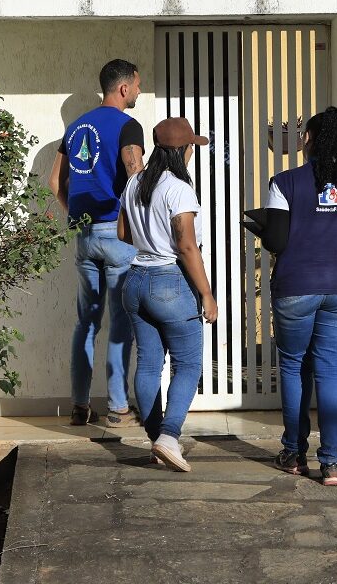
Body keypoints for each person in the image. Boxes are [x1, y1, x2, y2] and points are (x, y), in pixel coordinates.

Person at [261, 106, 337, 486]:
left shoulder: (284, 182)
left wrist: (265, 228)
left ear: (310, 140)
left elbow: (277, 239)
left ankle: (294, 453)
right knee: (331, 370)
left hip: (297, 287)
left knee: (295, 366)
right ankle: (331, 461)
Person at [118, 116, 217, 472]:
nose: (193, 152)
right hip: (170, 281)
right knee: (188, 364)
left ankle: (157, 439)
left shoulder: (134, 183)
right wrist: (206, 295)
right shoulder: (178, 188)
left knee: (148, 363)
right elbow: (187, 246)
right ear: (183, 150)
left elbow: (123, 234)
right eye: (191, 146)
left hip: (136, 280)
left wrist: (150, 239)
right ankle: (169, 436)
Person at [49, 59, 144, 428]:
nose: (137, 91)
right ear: (123, 89)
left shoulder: (74, 128)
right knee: (121, 323)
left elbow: (55, 182)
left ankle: (79, 405)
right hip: (117, 236)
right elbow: (134, 175)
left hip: (85, 236)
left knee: (85, 324)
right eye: (136, 85)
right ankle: (118, 406)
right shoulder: (127, 126)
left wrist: (74, 215)